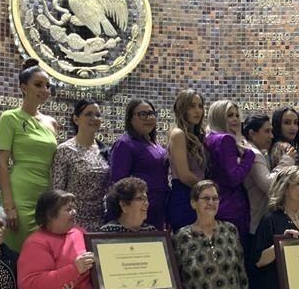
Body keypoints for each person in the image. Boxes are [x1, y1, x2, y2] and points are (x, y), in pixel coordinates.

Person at [242, 114, 294, 289]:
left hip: (260, 222)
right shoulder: (252, 155)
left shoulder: (260, 153)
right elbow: (269, 185)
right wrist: (286, 162)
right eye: (266, 131)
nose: (271, 135)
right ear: (251, 133)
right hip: (254, 225)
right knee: (256, 284)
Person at [0, 60, 59, 252]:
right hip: (20, 194)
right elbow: (1, 162)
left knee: (44, 250)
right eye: (38, 85)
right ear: (24, 87)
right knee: (21, 249)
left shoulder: (52, 122)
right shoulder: (10, 117)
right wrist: (9, 206)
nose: (45, 90)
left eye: (48, 86)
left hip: (45, 194)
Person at [108, 100, 169, 230]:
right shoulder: (124, 144)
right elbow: (118, 183)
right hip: (135, 213)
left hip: (158, 209)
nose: (148, 118)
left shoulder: (154, 145)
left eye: (151, 113)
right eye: (142, 114)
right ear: (130, 119)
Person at [52, 99, 110, 232]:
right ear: (76, 119)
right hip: (73, 221)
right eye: (88, 114)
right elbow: (58, 191)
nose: (94, 118)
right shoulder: (65, 150)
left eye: (97, 115)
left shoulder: (105, 150)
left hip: (101, 220)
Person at [204, 100, 255, 238]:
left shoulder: (208, 138)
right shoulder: (226, 139)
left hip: (214, 204)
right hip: (232, 206)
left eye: (237, 116)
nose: (235, 120)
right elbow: (234, 178)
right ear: (219, 117)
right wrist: (249, 156)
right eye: (230, 115)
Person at [166, 90, 208, 231]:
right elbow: (184, 174)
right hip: (184, 196)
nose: (197, 111)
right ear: (182, 109)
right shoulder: (178, 134)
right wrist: (208, 188)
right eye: (192, 106)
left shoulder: (197, 136)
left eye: (200, 106)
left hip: (198, 195)